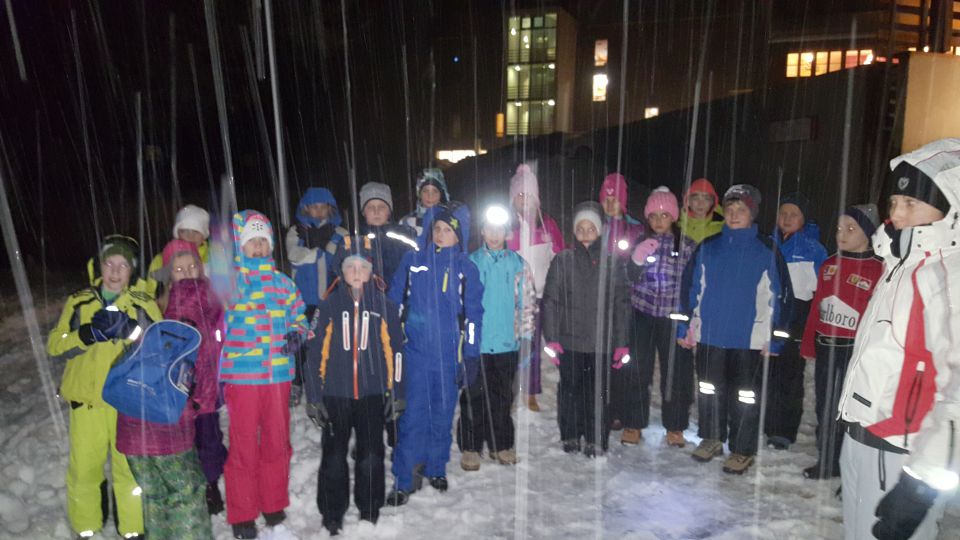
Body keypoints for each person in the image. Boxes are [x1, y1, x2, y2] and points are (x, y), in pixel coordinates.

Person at [837, 139, 960, 540]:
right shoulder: (897, 264)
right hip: (861, 434)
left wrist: (922, 482)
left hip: (903, 450)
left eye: (912, 203)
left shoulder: (949, 277)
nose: (897, 215)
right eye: (894, 202)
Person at [47, 235, 161, 540]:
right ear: (100, 266)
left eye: (123, 265)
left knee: (129, 472)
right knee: (84, 470)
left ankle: (133, 529)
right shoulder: (79, 301)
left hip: (128, 403)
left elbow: (160, 348)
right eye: (110, 263)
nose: (115, 271)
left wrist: (131, 331)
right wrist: (85, 335)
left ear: (132, 271)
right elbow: (55, 346)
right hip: (86, 403)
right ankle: (86, 527)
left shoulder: (143, 303)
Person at [678, 184, 792, 475]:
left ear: (752, 213)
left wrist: (776, 338)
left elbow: (780, 297)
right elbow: (691, 289)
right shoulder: (709, 247)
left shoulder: (766, 250)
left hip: (748, 341)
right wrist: (684, 327)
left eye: (741, 209)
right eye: (729, 210)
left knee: (745, 395)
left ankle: (742, 448)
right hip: (710, 337)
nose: (733, 215)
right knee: (709, 390)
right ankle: (712, 436)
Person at [116, 240, 224, 539]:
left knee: (206, 446)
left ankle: (208, 488)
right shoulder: (158, 305)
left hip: (198, 396)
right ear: (168, 275)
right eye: (179, 269)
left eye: (193, 267)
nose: (188, 273)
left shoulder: (213, 300)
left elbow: (218, 340)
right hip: (177, 403)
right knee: (182, 475)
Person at [302, 241, 405, 536]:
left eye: (363, 267)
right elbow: (314, 353)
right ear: (341, 272)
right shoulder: (329, 306)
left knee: (371, 454)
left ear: (372, 272)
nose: (357, 272)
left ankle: (369, 509)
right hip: (336, 395)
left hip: (372, 395)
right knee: (333, 456)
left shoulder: (385, 306)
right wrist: (314, 396)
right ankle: (332, 513)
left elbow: (395, 351)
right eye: (350, 267)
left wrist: (397, 391)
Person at [386, 208, 483, 506]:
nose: (442, 235)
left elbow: (474, 316)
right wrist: (392, 340)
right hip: (415, 352)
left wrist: (470, 356)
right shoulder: (414, 261)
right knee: (413, 414)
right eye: (438, 228)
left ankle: (436, 466)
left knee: (442, 414)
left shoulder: (467, 269)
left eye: (449, 230)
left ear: (460, 236)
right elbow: (395, 301)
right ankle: (404, 478)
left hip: (448, 356)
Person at [221, 210, 307, 539]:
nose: (257, 248)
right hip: (242, 378)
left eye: (262, 242)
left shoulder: (283, 284)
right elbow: (214, 322)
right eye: (251, 243)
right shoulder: (229, 285)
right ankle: (242, 512)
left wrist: (298, 332)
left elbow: (300, 315)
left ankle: (272, 504)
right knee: (243, 445)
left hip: (277, 377)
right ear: (240, 248)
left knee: (276, 442)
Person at [541, 202, 631, 457]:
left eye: (590, 227)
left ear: (600, 231)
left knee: (598, 393)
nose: (585, 232)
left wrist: (621, 342)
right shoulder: (563, 260)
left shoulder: (612, 263)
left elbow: (622, 304)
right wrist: (552, 338)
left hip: (602, 343)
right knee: (570, 390)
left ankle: (596, 437)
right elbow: (551, 300)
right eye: (580, 228)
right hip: (570, 341)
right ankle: (570, 433)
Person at [799, 204, 882, 480]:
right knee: (826, 405)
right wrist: (809, 341)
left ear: (868, 234)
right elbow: (817, 307)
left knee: (853, 409)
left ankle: (851, 467)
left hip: (854, 351)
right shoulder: (829, 265)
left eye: (850, 229)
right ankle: (828, 460)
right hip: (827, 346)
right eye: (838, 228)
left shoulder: (877, 269)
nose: (841, 234)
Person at [616, 187, 697, 447]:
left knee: (676, 374)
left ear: (673, 216)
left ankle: (675, 426)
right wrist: (636, 261)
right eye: (653, 215)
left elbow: (695, 284)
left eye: (664, 214)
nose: (659, 220)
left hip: (674, 317)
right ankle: (633, 422)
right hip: (642, 314)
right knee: (637, 369)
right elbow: (626, 279)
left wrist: (691, 321)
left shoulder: (686, 246)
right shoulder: (639, 242)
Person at [458, 205, 536, 470]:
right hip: (476, 345)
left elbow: (527, 304)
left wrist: (525, 337)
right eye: (489, 228)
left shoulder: (517, 264)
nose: (494, 234)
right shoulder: (470, 263)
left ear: (507, 232)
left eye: (499, 229)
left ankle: (500, 444)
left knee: (502, 397)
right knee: (473, 395)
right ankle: (471, 446)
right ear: (482, 231)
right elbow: (460, 303)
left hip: (506, 344)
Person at [765, 192, 828, 450]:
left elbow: (822, 291)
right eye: (783, 213)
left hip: (796, 319)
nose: (787, 218)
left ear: (803, 219)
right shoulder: (767, 243)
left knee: (790, 376)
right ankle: (766, 424)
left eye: (794, 214)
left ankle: (784, 430)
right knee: (766, 374)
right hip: (767, 315)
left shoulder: (814, 249)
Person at [506, 163, 565, 412]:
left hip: (539, 297)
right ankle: (510, 389)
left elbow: (560, 258)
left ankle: (530, 391)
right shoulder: (507, 229)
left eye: (528, 195)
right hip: (511, 299)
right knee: (510, 345)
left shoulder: (548, 226)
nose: (524, 200)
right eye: (519, 196)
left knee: (533, 348)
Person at [286, 187, 348, 406]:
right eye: (314, 207)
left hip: (328, 299)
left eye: (323, 207)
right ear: (306, 208)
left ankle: (324, 382)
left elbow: (342, 263)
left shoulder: (340, 233)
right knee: (299, 345)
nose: (319, 211)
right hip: (300, 301)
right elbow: (294, 257)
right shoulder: (297, 231)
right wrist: (317, 251)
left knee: (327, 343)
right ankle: (296, 383)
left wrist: (323, 250)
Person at [146, 204, 211, 305]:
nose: (190, 236)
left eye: (196, 231)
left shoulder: (214, 257)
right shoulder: (160, 259)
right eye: (184, 231)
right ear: (177, 233)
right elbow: (149, 293)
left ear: (204, 236)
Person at [358, 181, 418, 285]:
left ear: (389, 211)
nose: (376, 211)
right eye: (370, 207)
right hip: (366, 299)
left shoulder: (406, 237)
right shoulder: (355, 240)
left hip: (399, 299)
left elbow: (417, 270)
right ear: (363, 212)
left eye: (381, 207)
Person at [598, 172, 645, 258]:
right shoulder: (597, 224)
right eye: (606, 201)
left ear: (622, 202)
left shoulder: (634, 228)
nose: (610, 205)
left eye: (614, 201)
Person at [400, 168, 450, 239]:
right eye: (425, 191)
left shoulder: (450, 219)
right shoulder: (406, 222)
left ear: (441, 194)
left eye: (435, 191)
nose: (430, 196)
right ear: (419, 193)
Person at [678, 178, 724, 244]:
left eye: (706, 199)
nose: (700, 203)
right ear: (688, 201)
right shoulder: (677, 225)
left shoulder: (722, 227)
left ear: (712, 202)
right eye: (696, 198)